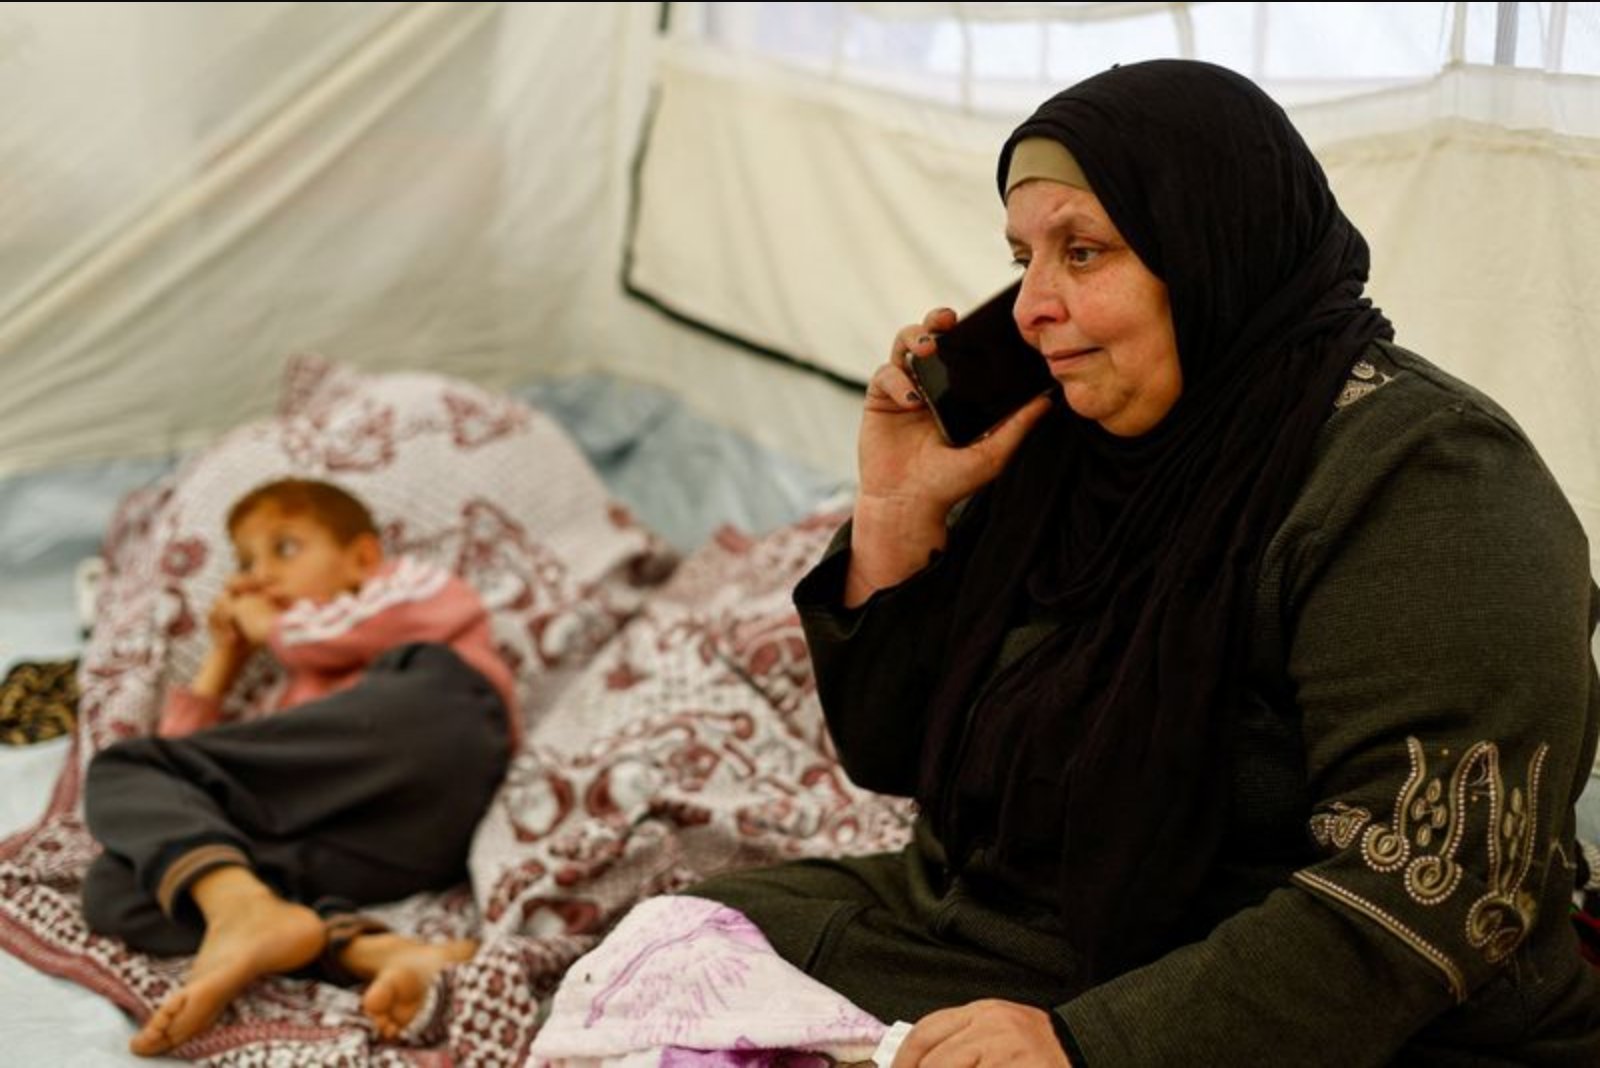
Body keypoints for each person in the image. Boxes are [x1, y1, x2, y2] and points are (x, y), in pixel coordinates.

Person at [685, 59, 1600, 1065]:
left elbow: (1433, 893)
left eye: (1082, 252)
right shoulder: (1083, 440)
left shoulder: (1429, 483)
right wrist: (897, 511)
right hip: (1012, 945)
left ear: (1212, 249)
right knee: (672, 949)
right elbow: (892, 752)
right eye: (1021, 257)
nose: (1030, 306)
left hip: (1281, 1016)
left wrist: (1088, 1048)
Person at [81, 478, 516, 1056]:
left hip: (443, 733)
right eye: (247, 562)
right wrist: (226, 659)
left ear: (361, 556)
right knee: (118, 886)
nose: (259, 576)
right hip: (395, 847)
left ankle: (247, 913)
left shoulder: (404, 589)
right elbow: (181, 777)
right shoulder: (289, 693)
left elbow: (160, 764)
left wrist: (272, 630)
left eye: (285, 549)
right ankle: (353, 946)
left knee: (122, 765)